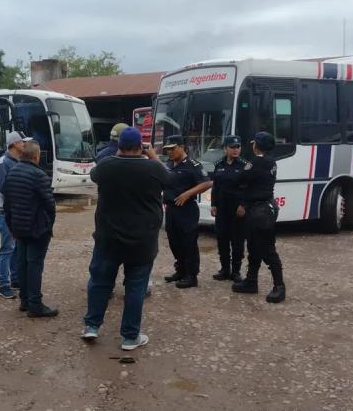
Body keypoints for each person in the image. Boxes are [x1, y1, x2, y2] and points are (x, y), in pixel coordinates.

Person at [81, 127, 171, 350]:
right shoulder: (154, 168)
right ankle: (130, 337)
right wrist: (152, 155)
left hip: (108, 239)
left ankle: (91, 327)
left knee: (100, 283)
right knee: (135, 288)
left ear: (119, 146)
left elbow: (95, 175)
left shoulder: (106, 166)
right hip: (142, 242)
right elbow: (170, 180)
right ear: (141, 147)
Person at [3, 140, 58, 318]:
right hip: (36, 229)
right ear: (36, 156)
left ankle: (25, 301)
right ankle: (35, 304)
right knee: (34, 265)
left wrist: (11, 226)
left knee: (22, 263)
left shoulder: (12, 172)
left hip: (19, 227)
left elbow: (7, 204)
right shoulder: (39, 175)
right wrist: (49, 225)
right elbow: (50, 205)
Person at [231, 132, 286, 303]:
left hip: (259, 211)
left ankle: (279, 286)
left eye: (254, 143)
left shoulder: (256, 162)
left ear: (257, 146)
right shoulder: (270, 160)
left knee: (267, 250)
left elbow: (239, 179)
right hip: (263, 207)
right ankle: (251, 281)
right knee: (254, 248)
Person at [161, 135, 212, 289]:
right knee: (174, 241)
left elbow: (207, 183)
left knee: (188, 242)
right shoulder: (169, 164)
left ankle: (191, 275)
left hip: (187, 209)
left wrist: (188, 194)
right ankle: (181, 270)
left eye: (172, 149)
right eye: (167, 150)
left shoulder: (193, 165)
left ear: (182, 147)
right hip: (171, 209)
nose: (169, 152)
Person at [0, 131, 32, 299]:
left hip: (15, 212)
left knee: (16, 248)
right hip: (6, 213)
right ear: (15, 144)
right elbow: (4, 188)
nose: (25, 145)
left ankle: (15, 279)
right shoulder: (3, 163)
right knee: (7, 249)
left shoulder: (17, 161)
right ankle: (3, 285)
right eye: (23, 142)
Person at [210, 135, 247, 282]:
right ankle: (225, 270)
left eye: (238, 147)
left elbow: (248, 189)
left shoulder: (245, 166)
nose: (236, 149)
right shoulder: (219, 165)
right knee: (222, 240)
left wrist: (243, 205)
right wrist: (213, 204)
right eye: (232, 147)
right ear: (225, 148)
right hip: (222, 209)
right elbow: (215, 187)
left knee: (237, 241)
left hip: (237, 210)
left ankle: (236, 271)